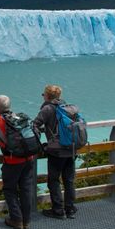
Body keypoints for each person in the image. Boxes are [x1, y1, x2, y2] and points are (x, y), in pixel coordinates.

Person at [0, 95, 37, 229]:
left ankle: (16, 220)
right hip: (28, 158)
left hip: (12, 160)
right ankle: (26, 220)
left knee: (9, 189)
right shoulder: (19, 117)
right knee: (26, 189)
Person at [33, 84, 77, 219]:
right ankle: (70, 209)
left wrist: (39, 143)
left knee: (53, 180)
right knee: (69, 180)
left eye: (43, 94)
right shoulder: (67, 108)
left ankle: (58, 210)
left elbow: (35, 124)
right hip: (71, 148)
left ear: (47, 96)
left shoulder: (47, 109)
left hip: (57, 150)